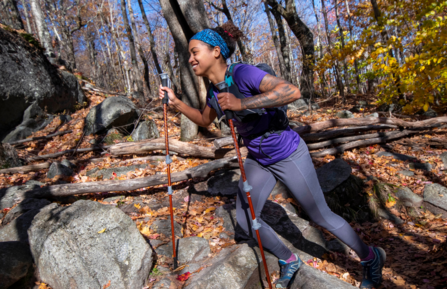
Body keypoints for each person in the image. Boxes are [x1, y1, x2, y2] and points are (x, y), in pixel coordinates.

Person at [159, 22, 386, 289]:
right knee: (246, 219)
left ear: (216, 51)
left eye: (195, 52)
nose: (190, 59)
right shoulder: (213, 90)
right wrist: (175, 102)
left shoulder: (243, 73)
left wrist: (241, 103)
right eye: (190, 54)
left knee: (320, 215)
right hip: (258, 158)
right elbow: (203, 120)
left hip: (288, 153)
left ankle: (371, 257)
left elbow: (291, 91)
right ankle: (289, 260)